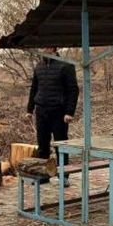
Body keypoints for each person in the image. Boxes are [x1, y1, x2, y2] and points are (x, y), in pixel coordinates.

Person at [26, 46, 78, 183]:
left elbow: (73, 90)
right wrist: (29, 110)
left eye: (46, 47)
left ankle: (64, 175)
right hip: (41, 110)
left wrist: (69, 112)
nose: (43, 49)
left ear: (53, 48)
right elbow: (34, 88)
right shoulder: (39, 66)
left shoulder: (66, 66)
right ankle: (43, 175)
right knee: (42, 144)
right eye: (42, 47)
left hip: (59, 111)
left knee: (60, 145)